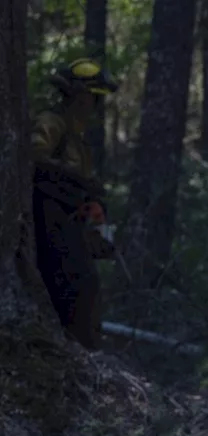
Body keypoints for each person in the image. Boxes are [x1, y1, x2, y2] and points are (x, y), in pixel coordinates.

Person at [31, 58, 118, 349]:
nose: (93, 105)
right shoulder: (51, 122)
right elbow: (33, 158)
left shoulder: (80, 142)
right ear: (77, 96)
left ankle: (85, 352)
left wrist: (99, 228)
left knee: (89, 287)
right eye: (91, 97)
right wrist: (75, 178)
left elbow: (85, 192)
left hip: (70, 222)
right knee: (75, 287)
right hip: (47, 220)